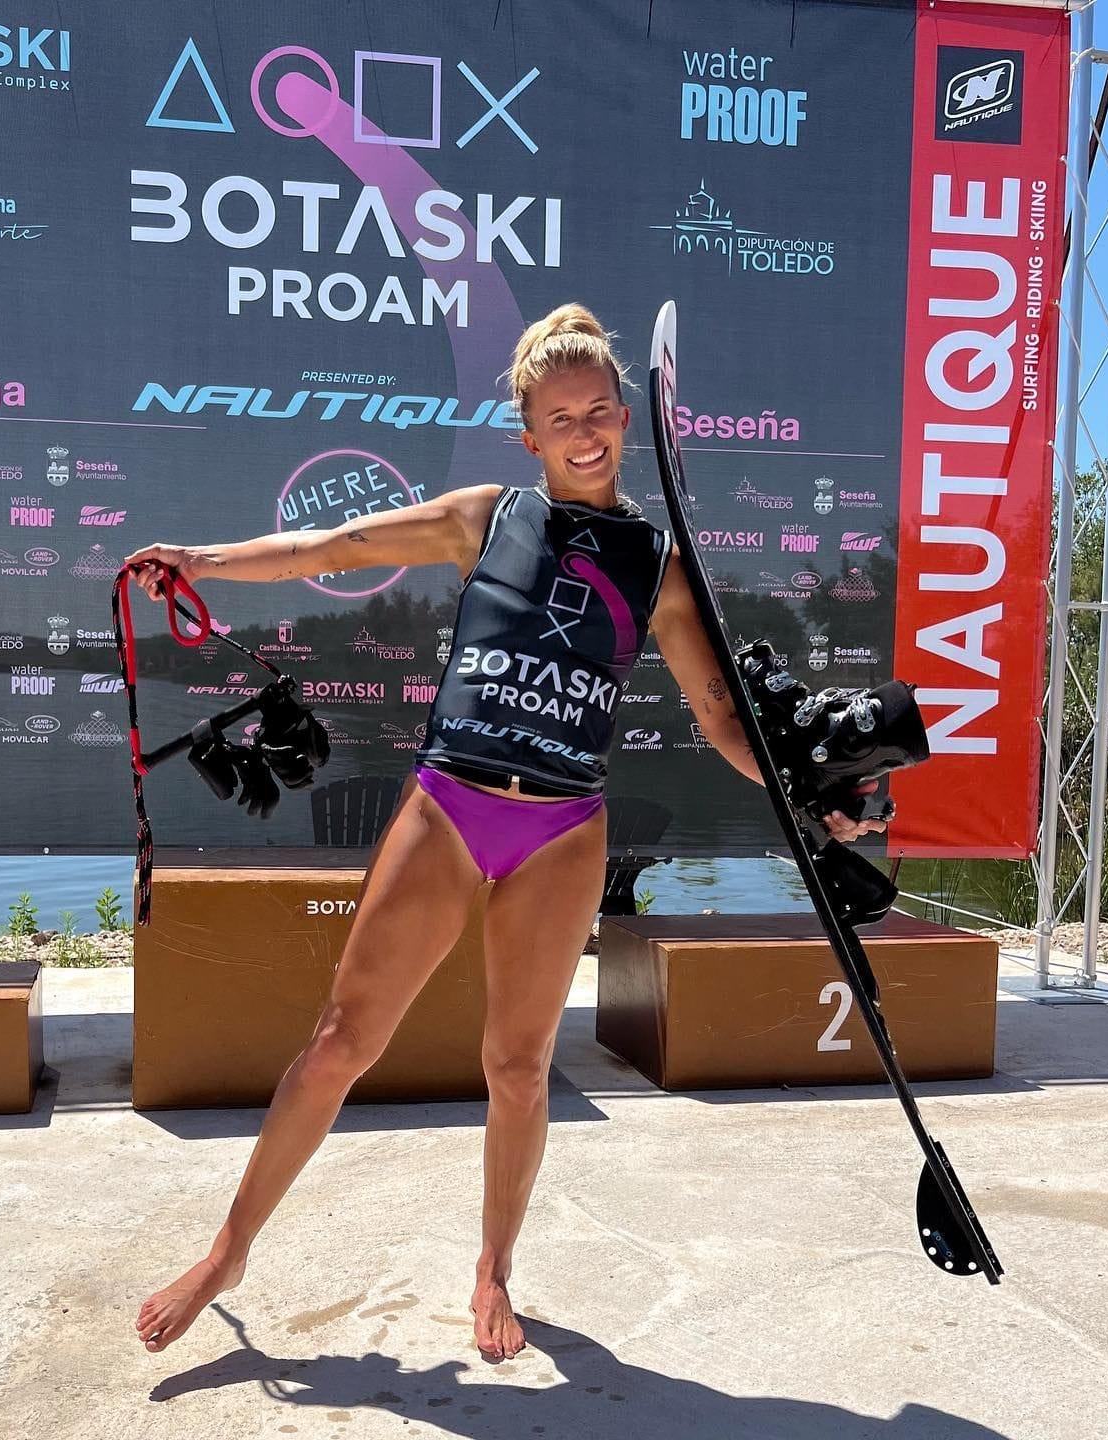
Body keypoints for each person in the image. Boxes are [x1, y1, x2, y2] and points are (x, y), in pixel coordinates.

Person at [125, 304, 884, 1362]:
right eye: (558, 417)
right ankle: (229, 1250)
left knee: (518, 1066)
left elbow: (720, 715)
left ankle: (493, 1271)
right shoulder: (490, 515)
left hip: (563, 825)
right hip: (451, 805)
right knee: (344, 1040)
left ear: (627, 416)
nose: (583, 434)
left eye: (599, 413)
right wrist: (200, 559)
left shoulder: (658, 565)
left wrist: (809, 793)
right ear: (528, 434)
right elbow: (328, 547)